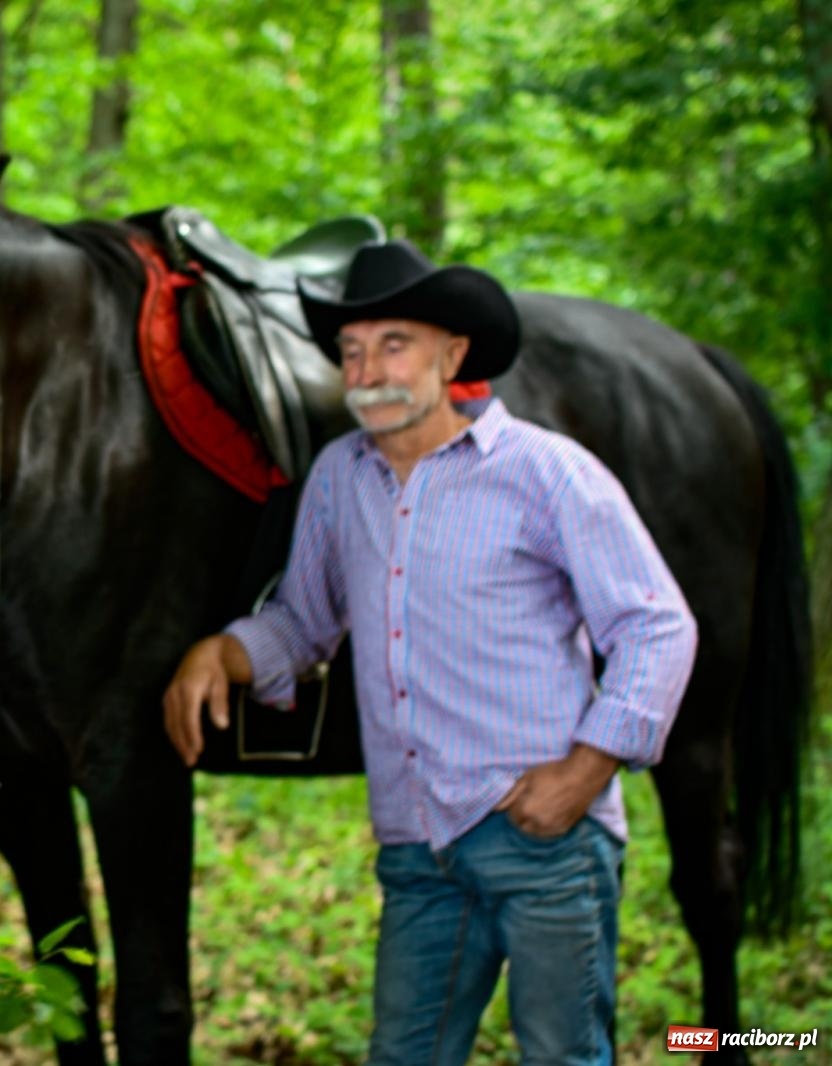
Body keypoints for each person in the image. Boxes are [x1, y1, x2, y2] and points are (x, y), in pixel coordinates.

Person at [162, 241, 698, 1065]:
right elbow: (307, 620)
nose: (368, 369)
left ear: (453, 355)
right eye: (351, 350)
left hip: (544, 838)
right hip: (418, 847)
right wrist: (223, 651)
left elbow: (658, 626)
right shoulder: (340, 477)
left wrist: (582, 776)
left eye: (394, 343)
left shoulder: (548, 473)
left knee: (562, 1056)